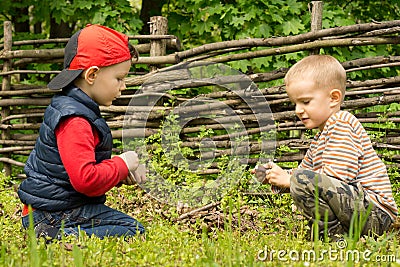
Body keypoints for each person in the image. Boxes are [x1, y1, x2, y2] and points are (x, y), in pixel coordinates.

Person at [17, 24, 146, 241]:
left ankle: (53, 232)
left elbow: (74, 170)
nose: (123, 86)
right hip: (52, 213)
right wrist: (122, 163)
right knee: (134, 230)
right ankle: (56, 236)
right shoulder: (75, 120)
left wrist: (120, 174)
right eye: (119, 78)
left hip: (55, 207)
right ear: (92, 74)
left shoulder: (75, 108)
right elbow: (85, 180)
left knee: (128, 227)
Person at [254, 55, 398, 240]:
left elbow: (334, 178)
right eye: (295, 103)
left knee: (302, 180)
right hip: (356, 209)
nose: (298, 110)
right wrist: (275, 177)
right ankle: (333, 236)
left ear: (333, 98)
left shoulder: (342, 123)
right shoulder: (320, 139)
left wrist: (291, 180)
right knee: (302, 179)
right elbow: (305, 176)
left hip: (376, 214)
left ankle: (334, 239)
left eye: (305, 102)